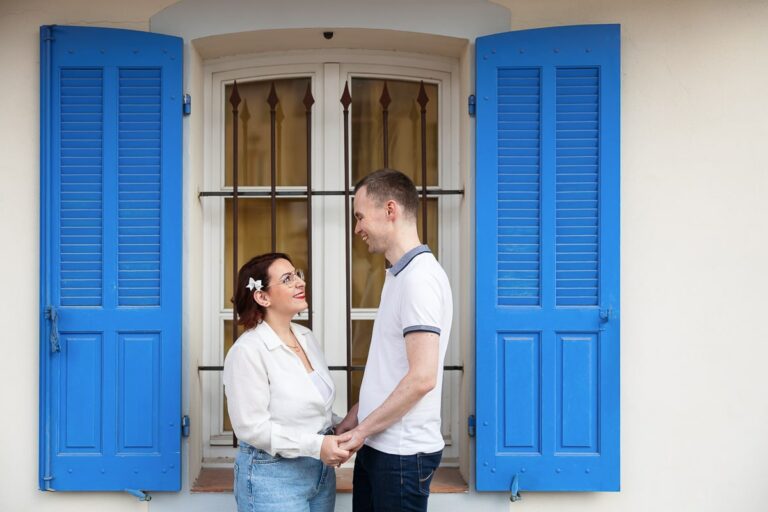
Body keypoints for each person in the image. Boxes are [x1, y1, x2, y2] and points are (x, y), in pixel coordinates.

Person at [335, 169, 453, 511]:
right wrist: (357, 416)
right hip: (380, 447)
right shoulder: (400, 275)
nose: (357, 228)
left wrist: (361, 431)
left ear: (390, 210)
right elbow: (391, 369)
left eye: (360, 217)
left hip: (401, 457)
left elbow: (422, 378)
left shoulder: (420, 279)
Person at [223, 252, 350, 512]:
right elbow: (251, 428)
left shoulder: (306, 337)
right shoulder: (247, 351)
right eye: (287, 279)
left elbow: (307, 408)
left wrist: (340, 426)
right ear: (262, 297)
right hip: (272, 476)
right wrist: (318, 445)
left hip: (320, 472)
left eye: (297, 275)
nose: (301, 283)